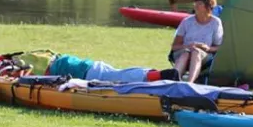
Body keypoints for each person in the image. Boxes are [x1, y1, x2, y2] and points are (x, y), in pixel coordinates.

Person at [170, 0, 223, 83]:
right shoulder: (187, 22)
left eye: (199, 4)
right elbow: (174, 47)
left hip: (204, 54)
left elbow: (219, 47)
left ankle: (190, 83)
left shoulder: (216, 22)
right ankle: (174, 81)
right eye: (195, 3)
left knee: (196, 52)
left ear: (207, 6)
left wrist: (207, 48)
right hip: (183, 52)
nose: (196, 6)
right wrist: (188, 46)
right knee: (186, 54)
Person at [45, 54, 180, 83]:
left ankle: (159, 75)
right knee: (121, 75)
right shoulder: (61, 61)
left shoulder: (56, 67)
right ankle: (157, 75)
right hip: (94, 67)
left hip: (92, 73)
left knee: (121, 77)